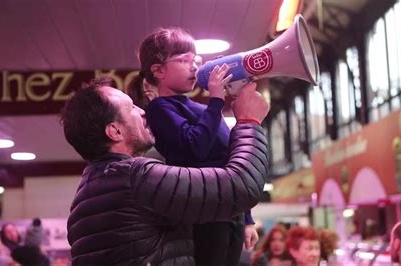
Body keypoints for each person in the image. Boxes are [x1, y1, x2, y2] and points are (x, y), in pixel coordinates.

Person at [61, 76, 269, 265]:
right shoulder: (136, 178)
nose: (143, 111)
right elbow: (241, 187)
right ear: (115, 131)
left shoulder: (81, 202)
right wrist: (249, 122)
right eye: (131, 108)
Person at [130, 26, 258, 266]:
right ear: (158, 70)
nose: (194, 66)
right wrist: (216, 100)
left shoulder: (202, 109)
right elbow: (194, 149)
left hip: (230, 209)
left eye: (196, 60)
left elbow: (231, 160)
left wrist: (247, 217)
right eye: (184, 60)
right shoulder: (161, 108)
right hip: (204, 209)